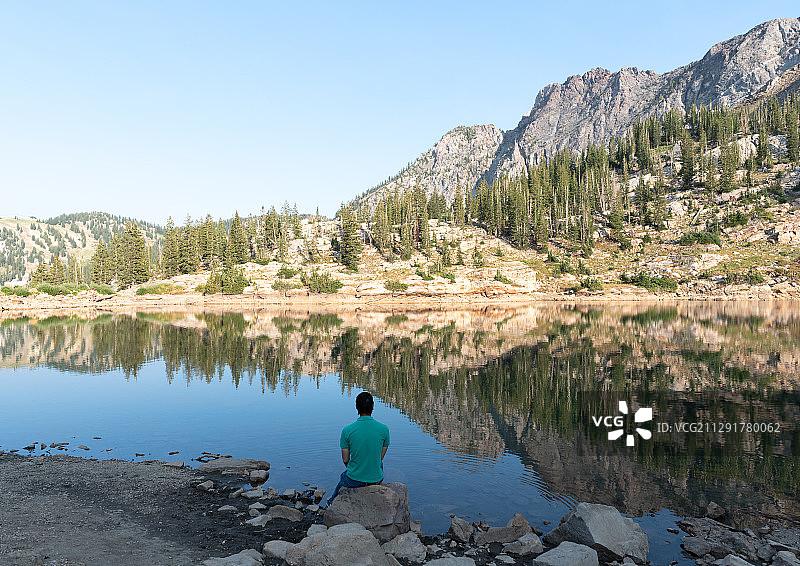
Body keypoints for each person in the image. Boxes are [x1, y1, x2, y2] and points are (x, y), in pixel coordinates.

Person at [327, 391, 390, 505]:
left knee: (343, 476)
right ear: (372, 406)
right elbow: (379, 457)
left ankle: (332, 502)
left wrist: (354, 469)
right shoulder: (384, 429)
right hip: (376, 480)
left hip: (354, 480)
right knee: (379, 464)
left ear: (356, 407)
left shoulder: (347, 430)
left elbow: (345, 460)